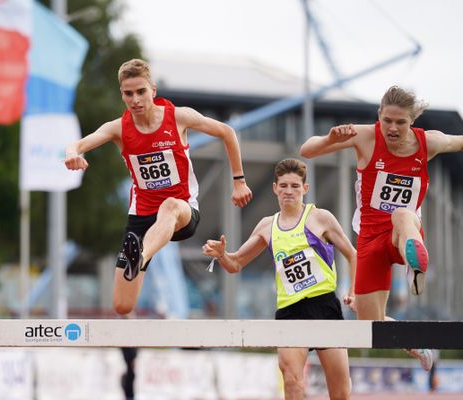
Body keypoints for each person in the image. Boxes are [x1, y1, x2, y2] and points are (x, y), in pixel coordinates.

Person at [65, 58, 252, 315]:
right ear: (122, 95)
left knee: (170, 205)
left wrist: (239, 181)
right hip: (142, 217)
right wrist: (72, 154)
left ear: (153, 90)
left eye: (141, 92)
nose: (136, 100)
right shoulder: (118, 129)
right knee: (122, 305)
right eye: (128, 94)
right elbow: (77, 144)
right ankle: (138, 257)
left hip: (182, 211)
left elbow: (227, 132)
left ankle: (140, 256)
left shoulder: (178, 117)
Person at [300, 85, 463, 371]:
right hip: (369, 241)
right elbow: (307, 150)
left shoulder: (430, 143)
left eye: (401, 122)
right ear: (379, 116)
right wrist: (329, 138)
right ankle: (416, 344)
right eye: (387, 120)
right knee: (369, 327)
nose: (392, 128)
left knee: (402, 214)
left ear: (412, 121)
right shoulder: (365, 136)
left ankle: (414, 262)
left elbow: (458, 141)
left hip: (404, 232)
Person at [203, 158, 356, 400]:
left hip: (324, 306)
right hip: (290, 311)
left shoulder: (320, 218)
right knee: (292, 381)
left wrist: (355, 291)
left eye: (295, 186)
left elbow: (352, 254)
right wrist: (222, 255)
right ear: (275, 188)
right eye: (283, 185)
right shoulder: (267, 226)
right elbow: (236, 263)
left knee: (341, 393)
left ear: (305, 189)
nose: (289, 191)